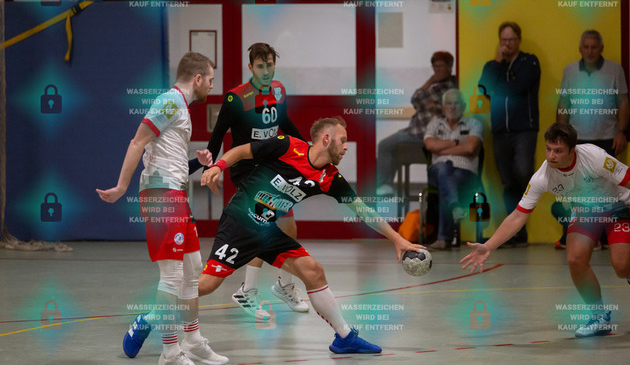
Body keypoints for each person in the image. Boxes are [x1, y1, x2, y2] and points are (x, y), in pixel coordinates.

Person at [199, 117, 424, 356]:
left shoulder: (330, 177)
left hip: (266, 230)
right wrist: (218, 166)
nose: (346, 147)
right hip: (240, 221)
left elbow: (363, 210)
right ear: (326, 139)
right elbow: (242, 151)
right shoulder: (287, 145)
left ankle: (345, 337)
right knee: (207, 285)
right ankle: (166, 311)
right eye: (342, 140)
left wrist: (397, 239)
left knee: (313, 271)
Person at [97, 52, 228, 365]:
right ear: (197, 78)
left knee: (193, 269)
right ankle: (169, 352)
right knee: (172, 276)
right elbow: (137, 142)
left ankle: (192, 340)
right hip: (161, 196)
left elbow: (169, 161)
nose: (212, 86)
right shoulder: (169, 102)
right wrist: (121, 187)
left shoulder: (180, 106)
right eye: (210, 80)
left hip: (176, 193)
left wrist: (198, 162)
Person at [461, 122, 630, 338]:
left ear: (572, 151)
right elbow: (518, 215)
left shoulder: (594, 157)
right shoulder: (542, 177)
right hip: (585, 210)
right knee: (575, 259)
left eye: (558, 150)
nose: (551, 156)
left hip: (618, 205)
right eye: (548, 149)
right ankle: (599, 316)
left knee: (622, 266)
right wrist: (489, 246)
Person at [191, 43, 309, 320]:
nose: (266, 71)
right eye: (260, 66)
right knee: (264, 227)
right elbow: (218, 134)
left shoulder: (279, 90)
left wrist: (308, 149)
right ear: (250, 67)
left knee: (288, 226)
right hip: (247, 171)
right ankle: (250, 290)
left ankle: (281, 285)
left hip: (273, 168)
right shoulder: (237, 98)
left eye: (269, 65)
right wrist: (210, 167)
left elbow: (284, 122)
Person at [554, 29, 630, 249]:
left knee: (606, 190)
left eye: (594, 47)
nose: (589, 51)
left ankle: (605, 237)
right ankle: (583, 236)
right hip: (577, 140)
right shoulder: (570, 70)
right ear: (580, 48)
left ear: (601, 48)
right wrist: (562, 137)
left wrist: (622, 131)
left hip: (607, 138)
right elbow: (563, 103)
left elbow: (623, 102)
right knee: (578, 190)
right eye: (586, 47)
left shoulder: (615, 69)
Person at [478, 21, 540, 247]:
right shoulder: (492, 65)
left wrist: (498, 87)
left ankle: (519, 228)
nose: (507, 44)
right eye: (503, 40)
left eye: (511, 39)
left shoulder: (529, 62)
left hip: (524, 130)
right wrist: (497, 64)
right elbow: (483, 89)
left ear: (518, 40)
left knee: (523, 173)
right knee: (507, 182)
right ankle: (515, 233)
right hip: (499, 131)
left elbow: (517, 89)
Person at [376, 51, 457, 196]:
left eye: (440, 66)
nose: (437, 70)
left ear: (450, 67)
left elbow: (417, 99)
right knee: (387, 146)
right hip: (414, 130)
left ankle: (384, 184)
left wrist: (427, 93)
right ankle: (386, 184)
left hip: (423, 134)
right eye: (435, 67)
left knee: (384, 145)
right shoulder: (436, 84)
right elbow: (416, 100)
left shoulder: (447, 86)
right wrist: (429, 87)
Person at [424, 89, 483, 249]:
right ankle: (455, 208)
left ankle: (444, 238)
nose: (452, 106)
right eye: (449, 103)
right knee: (443, 169)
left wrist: (441, 149)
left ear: (463, 106)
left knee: (447, 181)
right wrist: (457, 143)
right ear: (443, 107)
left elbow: (470, 148)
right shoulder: (434, 124)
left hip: (465, 173)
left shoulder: (474, 124)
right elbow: (429, 145)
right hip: (436, 172)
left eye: (456, 103)